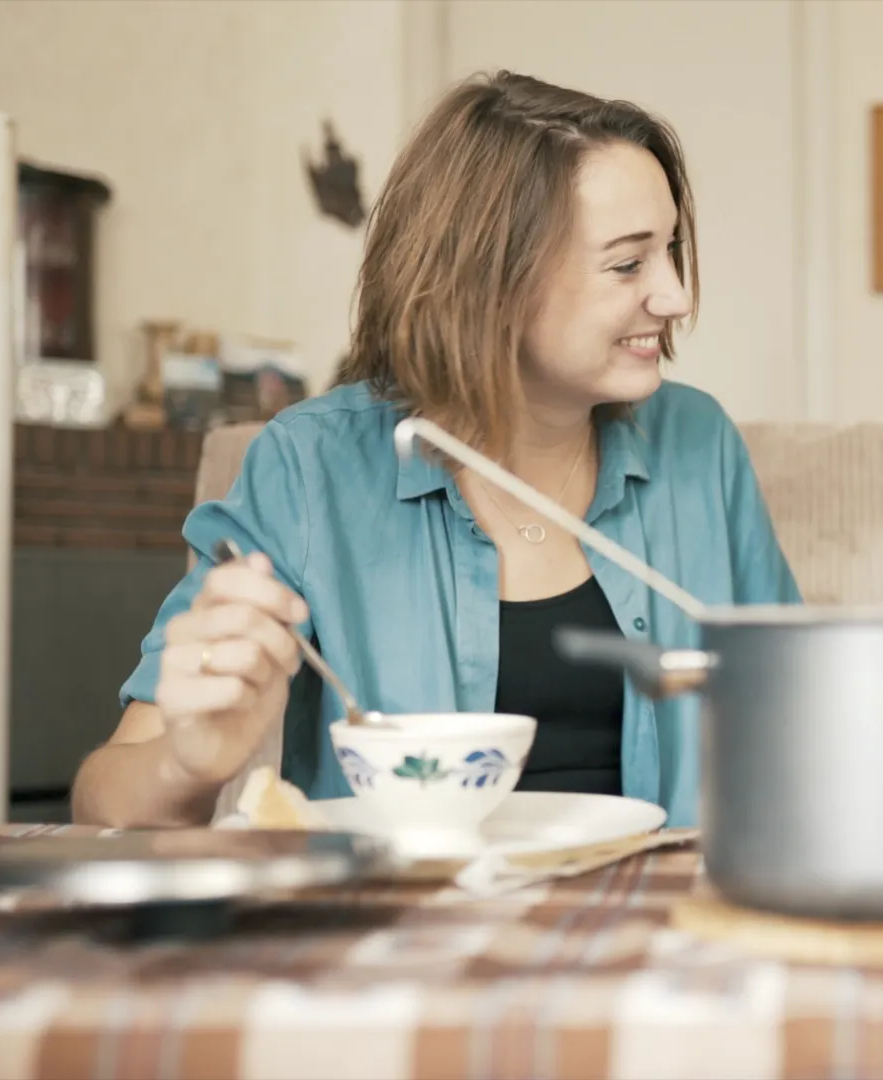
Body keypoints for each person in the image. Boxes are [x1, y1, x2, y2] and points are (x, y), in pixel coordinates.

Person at [71, 71, 799, 829]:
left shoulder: (698, 444)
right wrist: (187, 762)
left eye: (672, 251)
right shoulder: (310, 468)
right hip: (408, 933)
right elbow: (103, 800)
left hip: (657, 928)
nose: (676, 295)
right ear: (490, 279)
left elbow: (797, 718)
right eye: (628, 263)